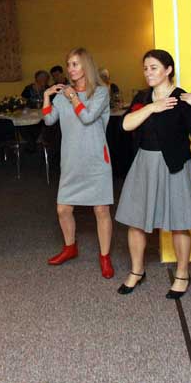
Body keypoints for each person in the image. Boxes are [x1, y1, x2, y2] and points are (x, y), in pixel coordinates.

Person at [115, 50, 191, 298]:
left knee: (179, 224)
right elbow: (125, 125)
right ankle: (137, 271)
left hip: (174, 165)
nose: (148, 72)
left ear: (168, 70)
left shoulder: (181, 98)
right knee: (135, 221)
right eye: (145, 68)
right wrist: (152, 108)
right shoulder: (143, 97)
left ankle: (182, 274)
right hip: (144, 165)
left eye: (154, 68)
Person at [43, 47, 114, 278]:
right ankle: (70, 247)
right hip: (71, 159)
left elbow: (87, 117)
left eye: (75, 64)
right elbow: (49, 119)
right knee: (63, 209)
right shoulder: (63, 95)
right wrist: (47, 96)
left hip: (96, 159)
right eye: (69, 64)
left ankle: (105, 257)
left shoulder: (100, 92)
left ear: (86, 66)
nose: (70, 69)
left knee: (101, 209)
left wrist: (73, 96)